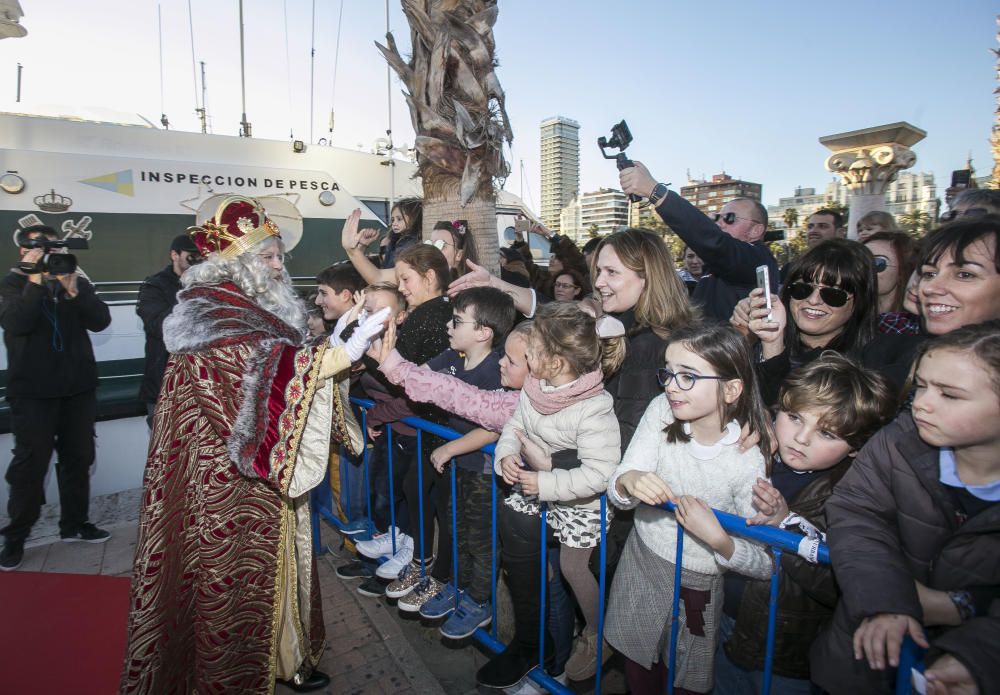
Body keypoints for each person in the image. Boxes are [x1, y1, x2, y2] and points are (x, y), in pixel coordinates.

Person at [119, 196, 388, 694]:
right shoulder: (214, 313)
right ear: (236, 263)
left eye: (277, 255)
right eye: (268, 257)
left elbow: (275, 366)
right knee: (238, 578)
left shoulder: (244, 304)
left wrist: (329, 357)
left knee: (284, 561)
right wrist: (334, 357)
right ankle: (234, 675)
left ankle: (289, 658)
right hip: (225, 480)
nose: (278, 265)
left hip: (256, 468)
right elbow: (257, 375)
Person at [810, 320, 1000, 694]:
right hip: (861, 659)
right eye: (922, 386)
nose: (922, 404)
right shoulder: (899, 440)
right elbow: (856, 514)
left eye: (951, 395)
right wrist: (886, 601)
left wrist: (980, 654)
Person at [603, 323, 774, 695]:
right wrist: (629, 480)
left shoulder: (745, 461)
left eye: (688, 376)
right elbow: (618, 490)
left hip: (698, 584)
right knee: (638, 669)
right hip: (643, 559)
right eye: (669, 372)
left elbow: (765, 562)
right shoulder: (661, 410)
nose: (670, 385)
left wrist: (719, 540)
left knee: (685, 678)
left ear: (731, 388)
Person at [714, 354, 896, 695]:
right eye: (794, 417)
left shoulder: (853, 496)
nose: (801, 437)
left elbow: (839, 580)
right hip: (725, 617)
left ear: (857, 447)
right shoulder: (756, 452)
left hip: (785, 648)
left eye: (826, 433)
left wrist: (786, 522)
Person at [477, 303, 621, 689]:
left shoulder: (594, 407)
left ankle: (597, 632)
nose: (526, 357)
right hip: (540, 492)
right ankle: (534, 643)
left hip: (577, 504)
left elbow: (601, 472)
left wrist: (547, 481)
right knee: (524, 553)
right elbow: (516, 424)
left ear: (556, 362)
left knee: (573, 570)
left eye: (533, 351)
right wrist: (507, 452)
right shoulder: (535, 387)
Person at [384, 288, 514, 641]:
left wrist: (452, 448)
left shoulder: (496, 369)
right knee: (456, 530)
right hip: (459, 465)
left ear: (484, 332)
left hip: (483, 471)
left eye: (457, 321)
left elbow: (492, 427)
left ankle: (479, 600)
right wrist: (382, 352)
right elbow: (417, 378)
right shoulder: (453, 355)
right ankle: (459, 586)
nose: (448, 325)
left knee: (481, 538)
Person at [0, 224, 113, 571]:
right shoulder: (12, 285)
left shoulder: (72, 279)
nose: (48, 256)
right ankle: (16, 537)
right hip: (33, 394)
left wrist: (75, 291)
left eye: (52, 250)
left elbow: (100, 321)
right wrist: (35, 281)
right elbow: (17, 323)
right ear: (24, 251)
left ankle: (74, 525)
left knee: (79, 458)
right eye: (40, 250)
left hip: (77, 389)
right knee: (30, 466)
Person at [619, 162, 778, 321]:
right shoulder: (718, 265)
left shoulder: (758, 261)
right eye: (717, 218)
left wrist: (654, 191)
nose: (719, 224)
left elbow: (714, 242)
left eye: (730, 218)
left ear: (756, 230)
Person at [737, 239, 880, 405]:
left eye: (833, 295)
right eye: (802, 289)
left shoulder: (864, 369)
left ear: (860, 304)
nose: (813, 301)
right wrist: (743, 336)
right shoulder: (762, 342)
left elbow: (781, 411)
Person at [136, 233, 203, 427]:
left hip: (200, 384)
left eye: (201, 255)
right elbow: (158, 325)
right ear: (174, 255)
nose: (197, 260)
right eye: (191, 254)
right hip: (164, 384)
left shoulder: (208, 286)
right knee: (165, 450)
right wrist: (191, 295)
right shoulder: (154, 285)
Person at [340, 198, 423, 283]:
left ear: (414, 218)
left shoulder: (412, 243)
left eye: (399, 219)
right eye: (392, 219)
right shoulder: (394, 240)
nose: (394, 223)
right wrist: (362, 246)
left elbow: (380, 277)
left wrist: (353, 250)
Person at [862, 231, 920, 335]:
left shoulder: (909, 328)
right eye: (858, 260)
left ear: (903, 271)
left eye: (877, 263)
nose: (863, 269)